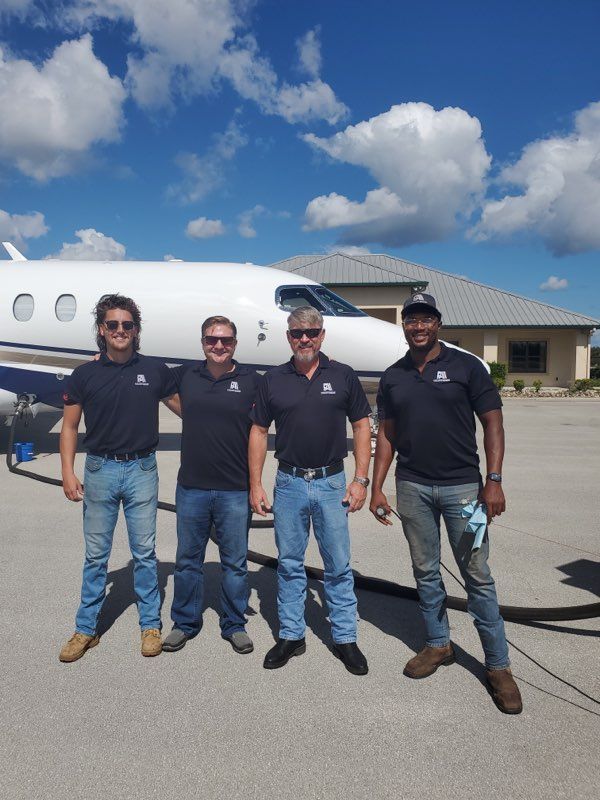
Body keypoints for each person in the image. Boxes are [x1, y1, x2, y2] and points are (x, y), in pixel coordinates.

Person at [369, 293, 523, 714]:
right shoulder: (394, 376)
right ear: (404, 326)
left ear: (437, 323)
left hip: (465, 492)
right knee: (425, 570)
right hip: (413, 489)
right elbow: (387, 434)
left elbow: (493, 421)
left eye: (425, 319)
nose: (418, 326)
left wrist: (493, 481)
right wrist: (377, 487)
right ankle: (439, 644)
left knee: (477, 573)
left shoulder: (465, 366)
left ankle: (498, 666)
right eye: (411, 320)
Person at [249, 306, 372, 675]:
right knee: (289, 564)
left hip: (332, 482)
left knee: (338, 565)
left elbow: (362, 425)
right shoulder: (272, 379)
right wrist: (255, 484)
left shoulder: (343, 375)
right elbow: (257, 431)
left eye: (312, 332)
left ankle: (345, 637)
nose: (305, 338)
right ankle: (291, 635)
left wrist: (360, 479)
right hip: (288, 484)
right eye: (297, 333)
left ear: (322, 335)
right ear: (288, 337)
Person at [59, 294, 177, 662]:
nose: (120, 330)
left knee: (144, 554)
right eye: (113, 325)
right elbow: (69, 426)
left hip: (142, 469)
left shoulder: (155, 371)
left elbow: (191, 408)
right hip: (100, 470)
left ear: (136, 330)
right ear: (102, 330)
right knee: (96, 556)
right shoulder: (84, 374)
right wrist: (67, 472)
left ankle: (150, 626)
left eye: (127, 325)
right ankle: (86, 629)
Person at [161, 316, 259, 655]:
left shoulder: (251, 380)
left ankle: (234, 624)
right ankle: (184, 623)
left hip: (235, 488)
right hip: (192, 487)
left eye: (226, 340)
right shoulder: (186, 374)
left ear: (235, 343)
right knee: (188, 560)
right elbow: (150, 380)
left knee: (235, 562)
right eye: (212, 340)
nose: (219, 346)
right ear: (202, 342)